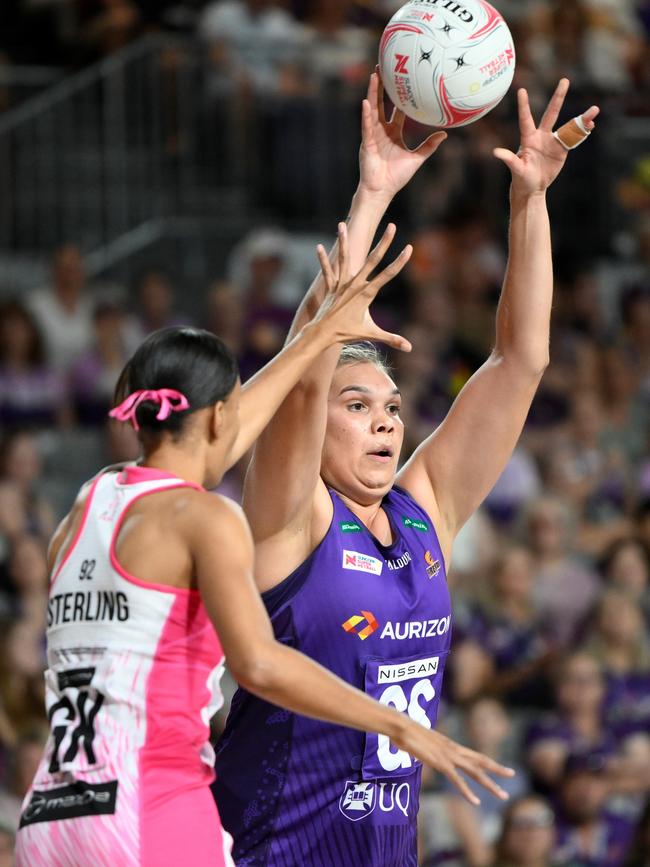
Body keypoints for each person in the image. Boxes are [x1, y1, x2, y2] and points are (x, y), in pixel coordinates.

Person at [14, 237, 510, 867]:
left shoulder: (88, 504)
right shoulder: (204, 516)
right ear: (221, 417)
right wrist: (402, 726)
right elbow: (260, 664)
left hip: (53, 813)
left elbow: (290, 391)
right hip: (148, 807)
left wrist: (332, 301)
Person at [213, 74, 600, 866]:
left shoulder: (426, 509)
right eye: (356, 405)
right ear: (313, 419)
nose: (386, 419)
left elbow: (520, 359)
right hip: (270, 852)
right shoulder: (293, 518)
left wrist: (531, 201)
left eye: (391, 405)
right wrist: (372, 194)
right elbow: (305, 362)